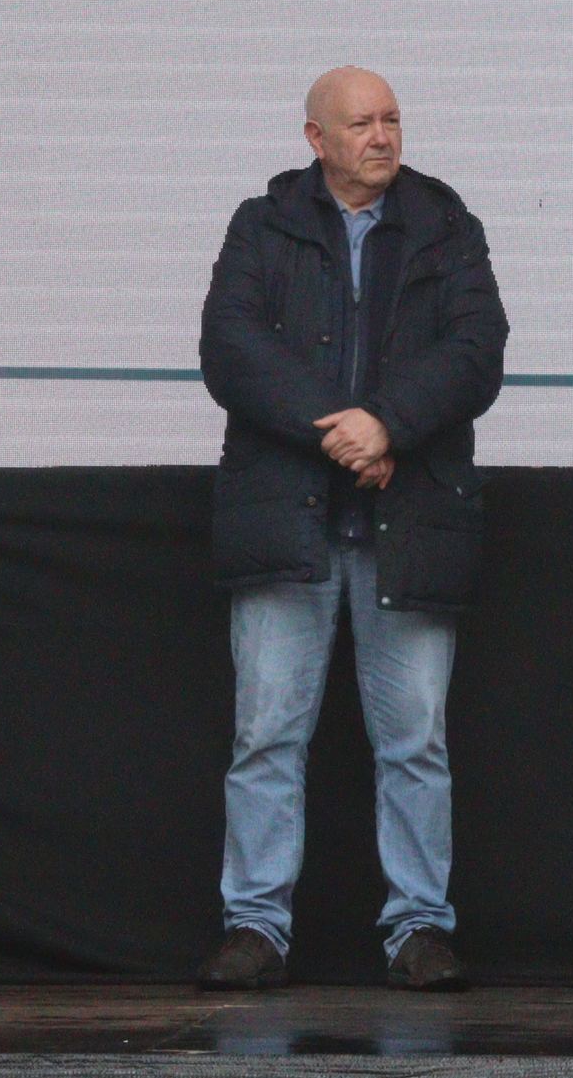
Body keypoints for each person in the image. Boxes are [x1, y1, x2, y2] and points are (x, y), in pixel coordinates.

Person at [194, 67, 508, 992]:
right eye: (362, 122)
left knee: (416, 744)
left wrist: (390, 426)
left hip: (408, 523)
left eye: (392, 119)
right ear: (315, 138)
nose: (382, 136)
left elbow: (477, 351)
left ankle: (419, 927)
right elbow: (230, 348)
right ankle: (255, 926)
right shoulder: (262, 224)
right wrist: (345, 432)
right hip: (287, 522)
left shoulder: (446, 224)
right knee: (266, 735)